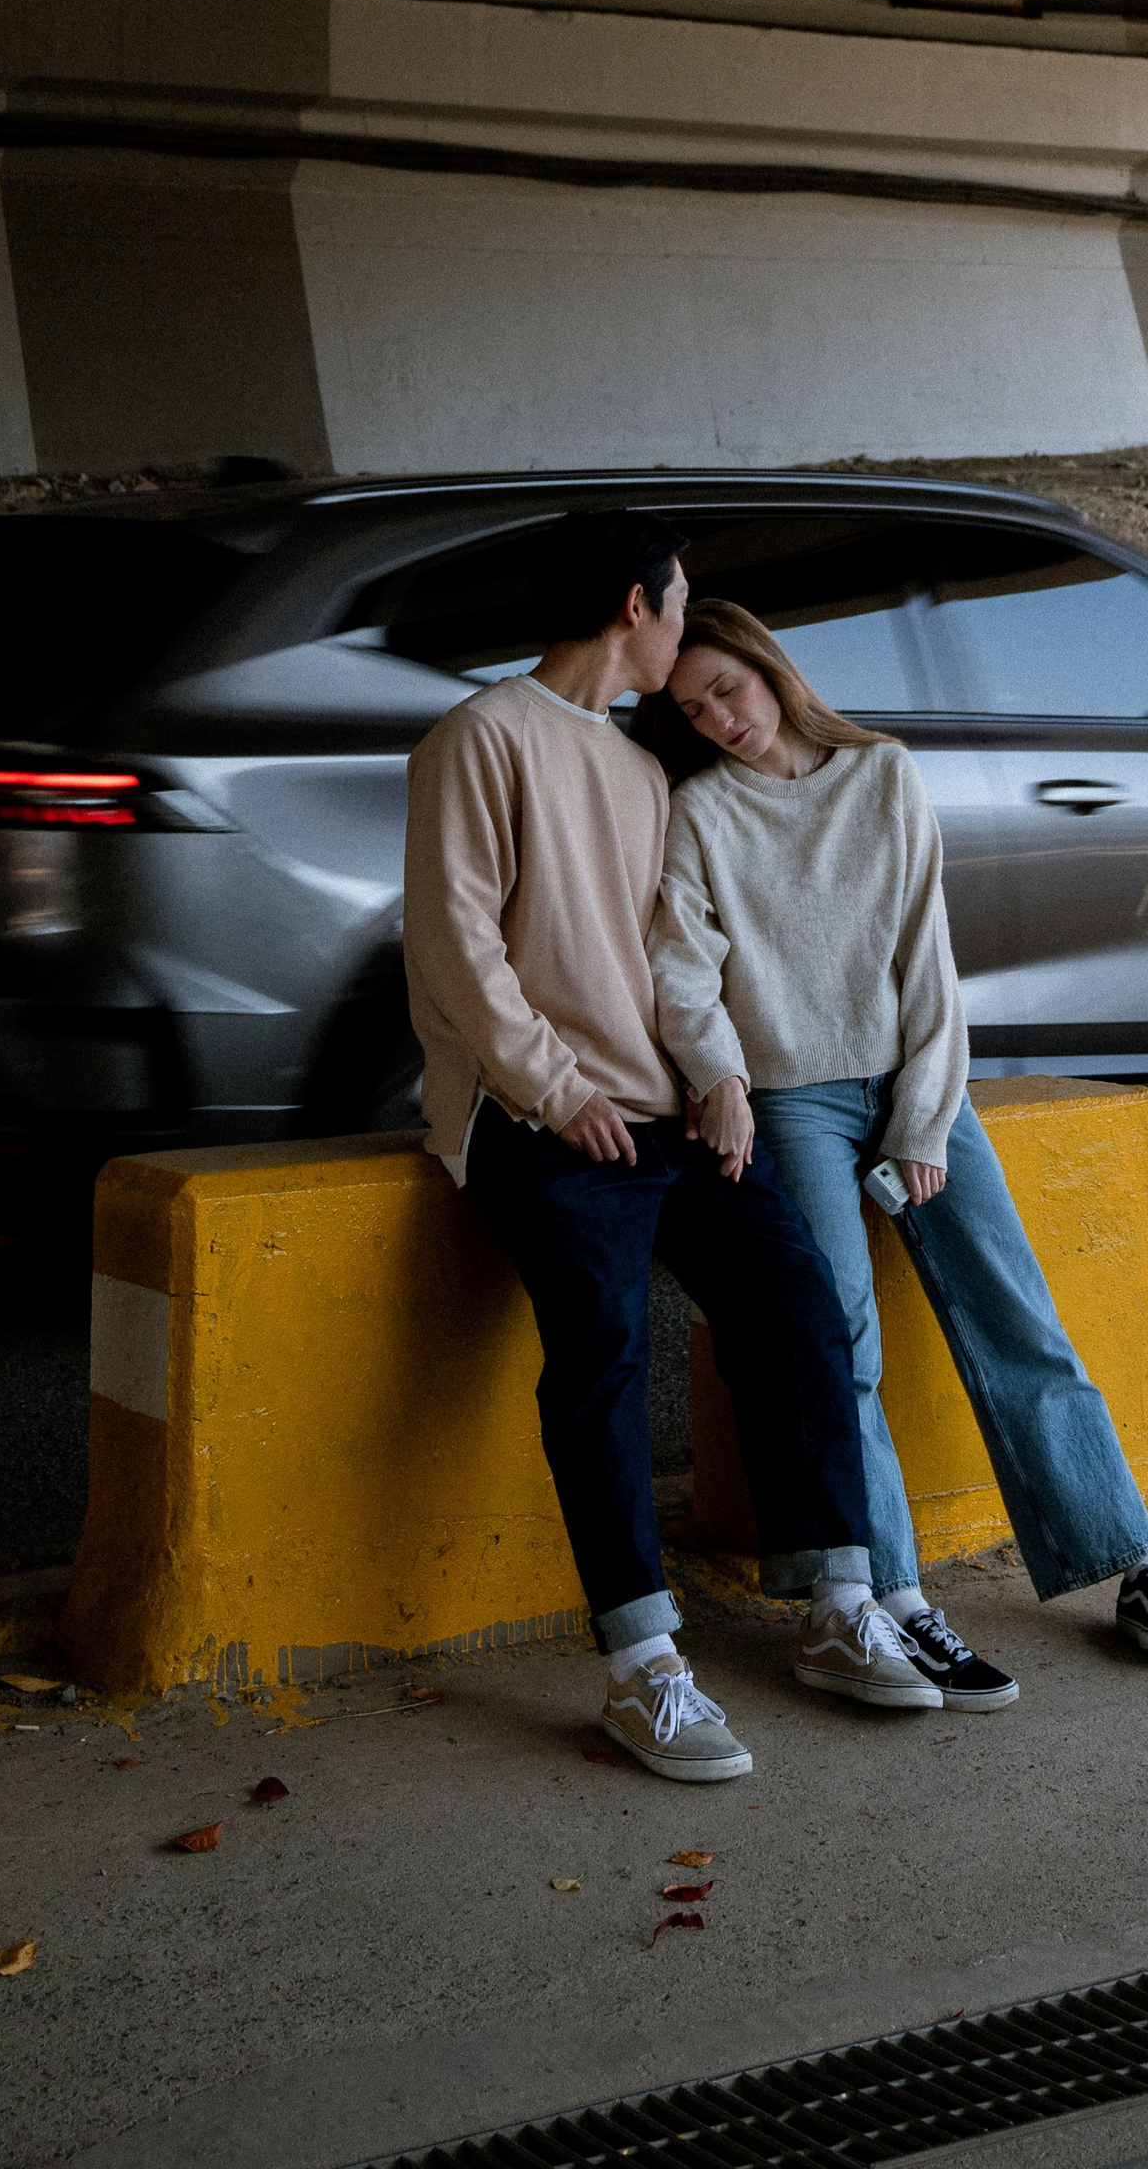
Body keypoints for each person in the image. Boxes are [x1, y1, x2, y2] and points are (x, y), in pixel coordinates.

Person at [403, 512, 941, 1783]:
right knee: (601, 1351)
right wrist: (550, 1085)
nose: (688, 620)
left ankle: (834, 1604)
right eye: (680, 598)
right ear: (633, 605)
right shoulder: (480, 738)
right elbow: (455, 942)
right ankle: (643, 1668)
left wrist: (716, 1079)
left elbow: (665, 957)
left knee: (799, 1305)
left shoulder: (644, 769)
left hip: (664, 1111)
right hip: (535, 1116)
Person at [648, 597, 1148, 1707]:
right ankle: (897, 1601)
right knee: (836, 1340)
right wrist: (719, 1075)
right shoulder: (697, 811)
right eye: (691, 707)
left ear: (769, 668)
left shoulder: (883, 775)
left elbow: (926, 963)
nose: (717, 718)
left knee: (1014, 1312)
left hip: (919, 1084)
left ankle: (1134, 1558)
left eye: (727, 689)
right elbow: (680, 967)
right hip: (791, 1096)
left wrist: (918, 1121)